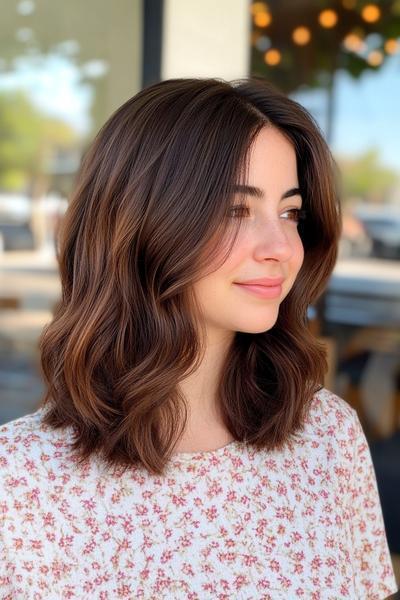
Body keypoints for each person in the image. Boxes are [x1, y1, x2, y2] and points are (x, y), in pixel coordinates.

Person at [0, 77, 397, 599]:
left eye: (290, 212)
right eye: (236, 210)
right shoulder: (18, 483)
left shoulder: (328, 437)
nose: (281, 246)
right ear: (144, 221)